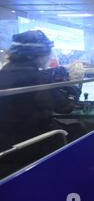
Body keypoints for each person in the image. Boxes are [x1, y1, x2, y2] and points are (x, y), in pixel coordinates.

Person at [0, 30, 82, 176]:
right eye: (47, 53)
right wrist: (74, 85)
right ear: (36, 55)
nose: (49, 57)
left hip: (5, 145)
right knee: (78, 129)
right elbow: (64, 108)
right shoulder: (36, 78)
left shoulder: (3, 73)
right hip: (30, 144)